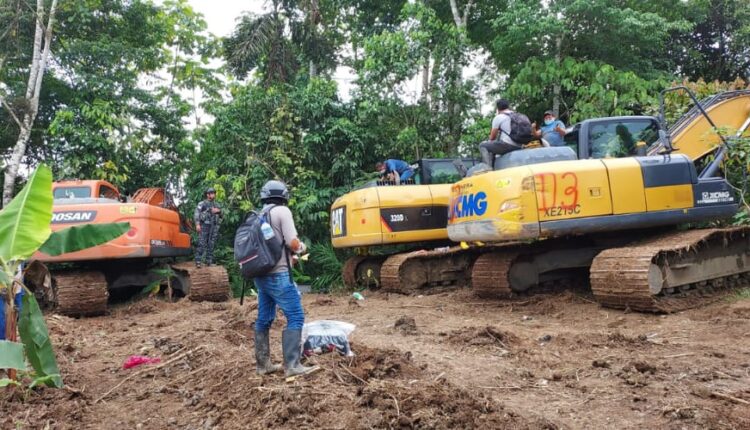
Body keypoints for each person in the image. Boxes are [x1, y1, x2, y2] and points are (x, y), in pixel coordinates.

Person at [253, 180, 316, 377]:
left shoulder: (258, 215)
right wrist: (302, 248)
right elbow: (293, 242)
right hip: (278, 275)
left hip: (260, 275)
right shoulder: (282, 212)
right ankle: (292, 365)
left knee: (264, 319)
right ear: (283, 195)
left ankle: (263, 365)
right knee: (296, 316)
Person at [479, 99, 522, 167]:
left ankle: (487, 168)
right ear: (508, 106)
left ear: (498, 108)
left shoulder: (499, 117)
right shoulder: (517, 115)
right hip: (520, 145)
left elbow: (492, 137)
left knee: (483, 145)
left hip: (508, 145)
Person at [193, 187, 223, 267]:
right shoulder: (202, 203)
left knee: (211, 244)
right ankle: (198, 261)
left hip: (213, 227)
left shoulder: (216, 205)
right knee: (201, 243)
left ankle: (208, 261)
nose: (213, 195)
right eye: (212, 193)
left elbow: (222, 216)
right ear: (208, 195)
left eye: (214, 193)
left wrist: (219, 211)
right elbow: (196, 214)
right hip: (204, 225)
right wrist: (197, 224)